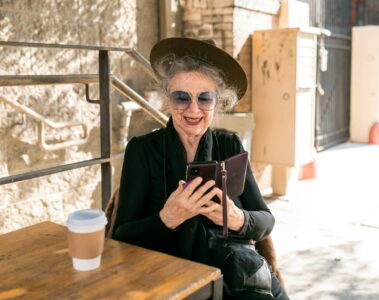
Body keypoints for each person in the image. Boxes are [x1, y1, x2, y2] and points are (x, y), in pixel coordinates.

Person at [112, 37, 289, 300]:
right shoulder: (142, 150)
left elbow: (266, 220)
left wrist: (237, 218)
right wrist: (167, 218)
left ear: (217, 102)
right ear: (167, 99)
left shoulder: (229, 144)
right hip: (172, 280)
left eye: (204, 98)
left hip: (236, 274)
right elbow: (120, 237)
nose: (193, 109)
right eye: (181, 97)